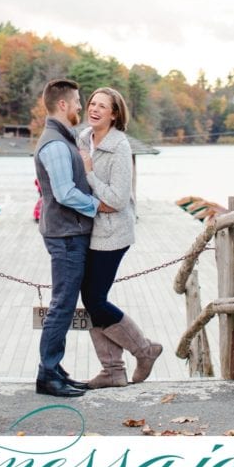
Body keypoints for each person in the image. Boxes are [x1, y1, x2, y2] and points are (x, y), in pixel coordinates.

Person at [33, 78, 113, 397]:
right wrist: (98, 206)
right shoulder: (54, 143)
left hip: (70, 233)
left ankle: (56, 369)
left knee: (64, 303)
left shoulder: (63, 139)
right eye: (78, 101)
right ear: (63, 105)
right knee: (62, 305)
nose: (82, 106)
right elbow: (65, 193)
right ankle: (47, 375)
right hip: (65, 235)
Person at [78, 87, 162, 387]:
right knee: (90, 300)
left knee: (94, 299)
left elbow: (117, 199)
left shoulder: (120, 147)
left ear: (114, 114)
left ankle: (144, 350)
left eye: (103, 106)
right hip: (88, 230)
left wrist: (89, 175)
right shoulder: (83, 138)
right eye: (92, 103)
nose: (95, 109)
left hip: (113, 232)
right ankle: (113, 370)